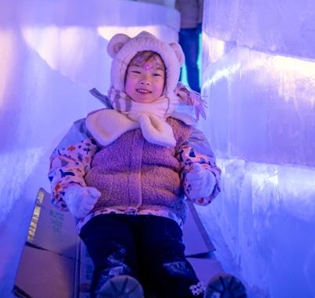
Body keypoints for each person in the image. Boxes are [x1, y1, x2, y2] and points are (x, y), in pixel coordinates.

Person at [48, 30, 246, 298]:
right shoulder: (97, 123)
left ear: (168, 81)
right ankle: (117, 292)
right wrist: (73, 193)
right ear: (121, 75)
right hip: (104, 212)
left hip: (159, 212)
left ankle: (189, 293)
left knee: (168, 258)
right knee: (113, 255)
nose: (145, 80)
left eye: (156, 74)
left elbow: (199, 162)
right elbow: (66, 160)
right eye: (137, 72)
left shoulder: (180, 129)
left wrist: (202, 179)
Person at [162, 0, 205, 93]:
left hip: (190, 27)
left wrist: (201, 22)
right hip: (169, 29)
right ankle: (174, 92)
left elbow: (202, 0)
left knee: (192, 63)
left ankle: (196, 93)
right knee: (172, 63)